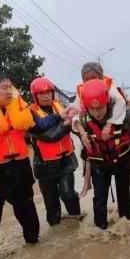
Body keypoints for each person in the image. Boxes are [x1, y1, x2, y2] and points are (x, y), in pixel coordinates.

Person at [0, 71, 76, 259]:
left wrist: (59, 116)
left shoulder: (19, 107)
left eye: (10, 87)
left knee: (29, 214)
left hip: (20, 170)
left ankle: (34, 249)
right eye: (4, 87)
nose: (9, 91)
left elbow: (39, 124)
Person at [79, 79, 130, 229]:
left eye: (100, 108)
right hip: (100, 164)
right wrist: (86, 183)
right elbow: (87, 156)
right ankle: (100, 230)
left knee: (124, 196)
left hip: (123, 161)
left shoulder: (125, 118)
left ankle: (127, 227)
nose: (97, 112)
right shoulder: (85, 124)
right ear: (87, 108)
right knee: (99, 198)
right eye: (92, 109)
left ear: (108, 103)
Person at [29, 77, 81, 226]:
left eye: (48, 92)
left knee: (69, 194)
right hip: (44, 164)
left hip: (65, 159)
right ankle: (55, 227)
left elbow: (74, 123)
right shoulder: (30, 113)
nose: (46, 96)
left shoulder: (60, 106)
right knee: (51, 202)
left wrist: (81, 130)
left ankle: (76, 223)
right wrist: (65, 124)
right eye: (41, 93)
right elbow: (49, 136)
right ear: (35, 95)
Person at [73, 62, 127, 197]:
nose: (90, 81)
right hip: (92, 131)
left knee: (123, 193)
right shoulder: (81, 91)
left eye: (94, 77)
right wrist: (82, 132)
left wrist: (109, 124)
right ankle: (87, 184)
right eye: (86, 79)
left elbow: (121, 102)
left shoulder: (110, 86)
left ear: (102, 77)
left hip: (113, 129)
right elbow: (74, 113)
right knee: (86, 151)